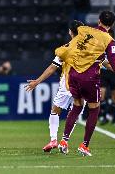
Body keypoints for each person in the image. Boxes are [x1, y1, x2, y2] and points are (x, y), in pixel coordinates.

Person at [55, 10, 115, 156]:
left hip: (73, 75)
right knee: (94, 110)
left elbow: (75, 27)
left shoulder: (84, 30)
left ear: (98, 21)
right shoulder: (109, 41)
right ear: (112, 25)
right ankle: (84, 146)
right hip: (90, 78)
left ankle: (64, 141)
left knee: (77, 106)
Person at [25, 20, 84, 152]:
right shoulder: (90, 47)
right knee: (74, 112)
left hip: (67, 84)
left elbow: (52, 68)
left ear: (70, 32)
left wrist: (37, 81)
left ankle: (53, 140)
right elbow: (105, 63)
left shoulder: (65, 48)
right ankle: (65, 141)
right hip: (84, 85)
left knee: (55, 111)